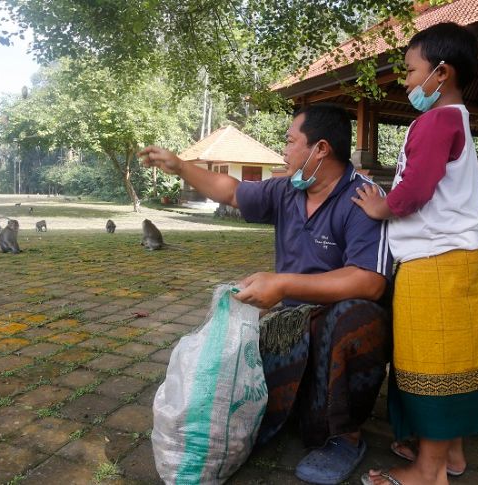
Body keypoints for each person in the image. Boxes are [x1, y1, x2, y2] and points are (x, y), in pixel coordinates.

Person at [139, 103, 393, 485]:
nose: (284, 151)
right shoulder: (288, 191)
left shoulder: (362, 198)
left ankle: (344, 437)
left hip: (335, 324)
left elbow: (370, 281)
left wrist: (283, 284)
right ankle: (301, 407)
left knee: (355, 316)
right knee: (249, 401)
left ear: (320, 148)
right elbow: (234, 191)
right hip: (289, 325)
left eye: (291, 142)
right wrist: (181, 167)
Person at [352, 22, 478, 485]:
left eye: (410, 71)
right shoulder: (456, 118)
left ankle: (429, 470)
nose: (406, 81)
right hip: (456, 260)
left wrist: (382, 206)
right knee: (456, 360)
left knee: (432, 363)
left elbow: (415, 189)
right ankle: (451, 454)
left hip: (435, 264)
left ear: (442, 72)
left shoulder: (436, 120)